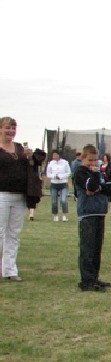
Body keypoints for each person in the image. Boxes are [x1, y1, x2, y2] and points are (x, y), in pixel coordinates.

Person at [0, 117, 41, 281]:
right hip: (2, 195)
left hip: (19, 196)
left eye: (13, 128)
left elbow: (32, 166)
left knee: (14, 234)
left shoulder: (19, 148)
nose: (11, 131)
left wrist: (31, 158)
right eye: (7, 127)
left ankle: (10, 270)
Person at [74, 144, 111, 292]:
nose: (93, 163)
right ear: (83, 158)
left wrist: (99, 188)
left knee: (97, 248)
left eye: (95, 160)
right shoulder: (80, 172)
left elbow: (110, 188)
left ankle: (94, 277)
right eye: (90, 160)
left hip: (100, 212)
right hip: (88, 213)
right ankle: (86, 281)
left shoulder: (99, 172)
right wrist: (96, 180)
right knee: (88, 248)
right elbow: (90, 187)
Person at [46, 150, 71, 221]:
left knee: (63, 200)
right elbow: (48, 174)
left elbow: (68, 172)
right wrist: (54, 176)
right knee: (54, 201)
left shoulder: (65, 163)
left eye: (55, 155)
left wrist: (61, 176)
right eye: (53, 155)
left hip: (63, 184)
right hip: (54, 184)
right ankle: (55, 215)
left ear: (59, 155)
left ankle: (64, 215)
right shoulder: (50, 163)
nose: (54, 156)